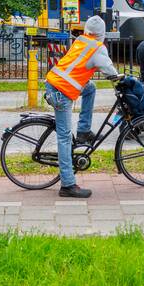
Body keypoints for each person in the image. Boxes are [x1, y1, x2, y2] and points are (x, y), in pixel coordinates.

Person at [43, 15, 119, 199]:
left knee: (90, 88)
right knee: (64, 137)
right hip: (62, 92)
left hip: (54, 83)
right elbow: (108, 68)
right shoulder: (98, 48)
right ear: (102, 34)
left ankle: (84, 130)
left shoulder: (81, 39)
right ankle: (67, 184)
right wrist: (119, 79)